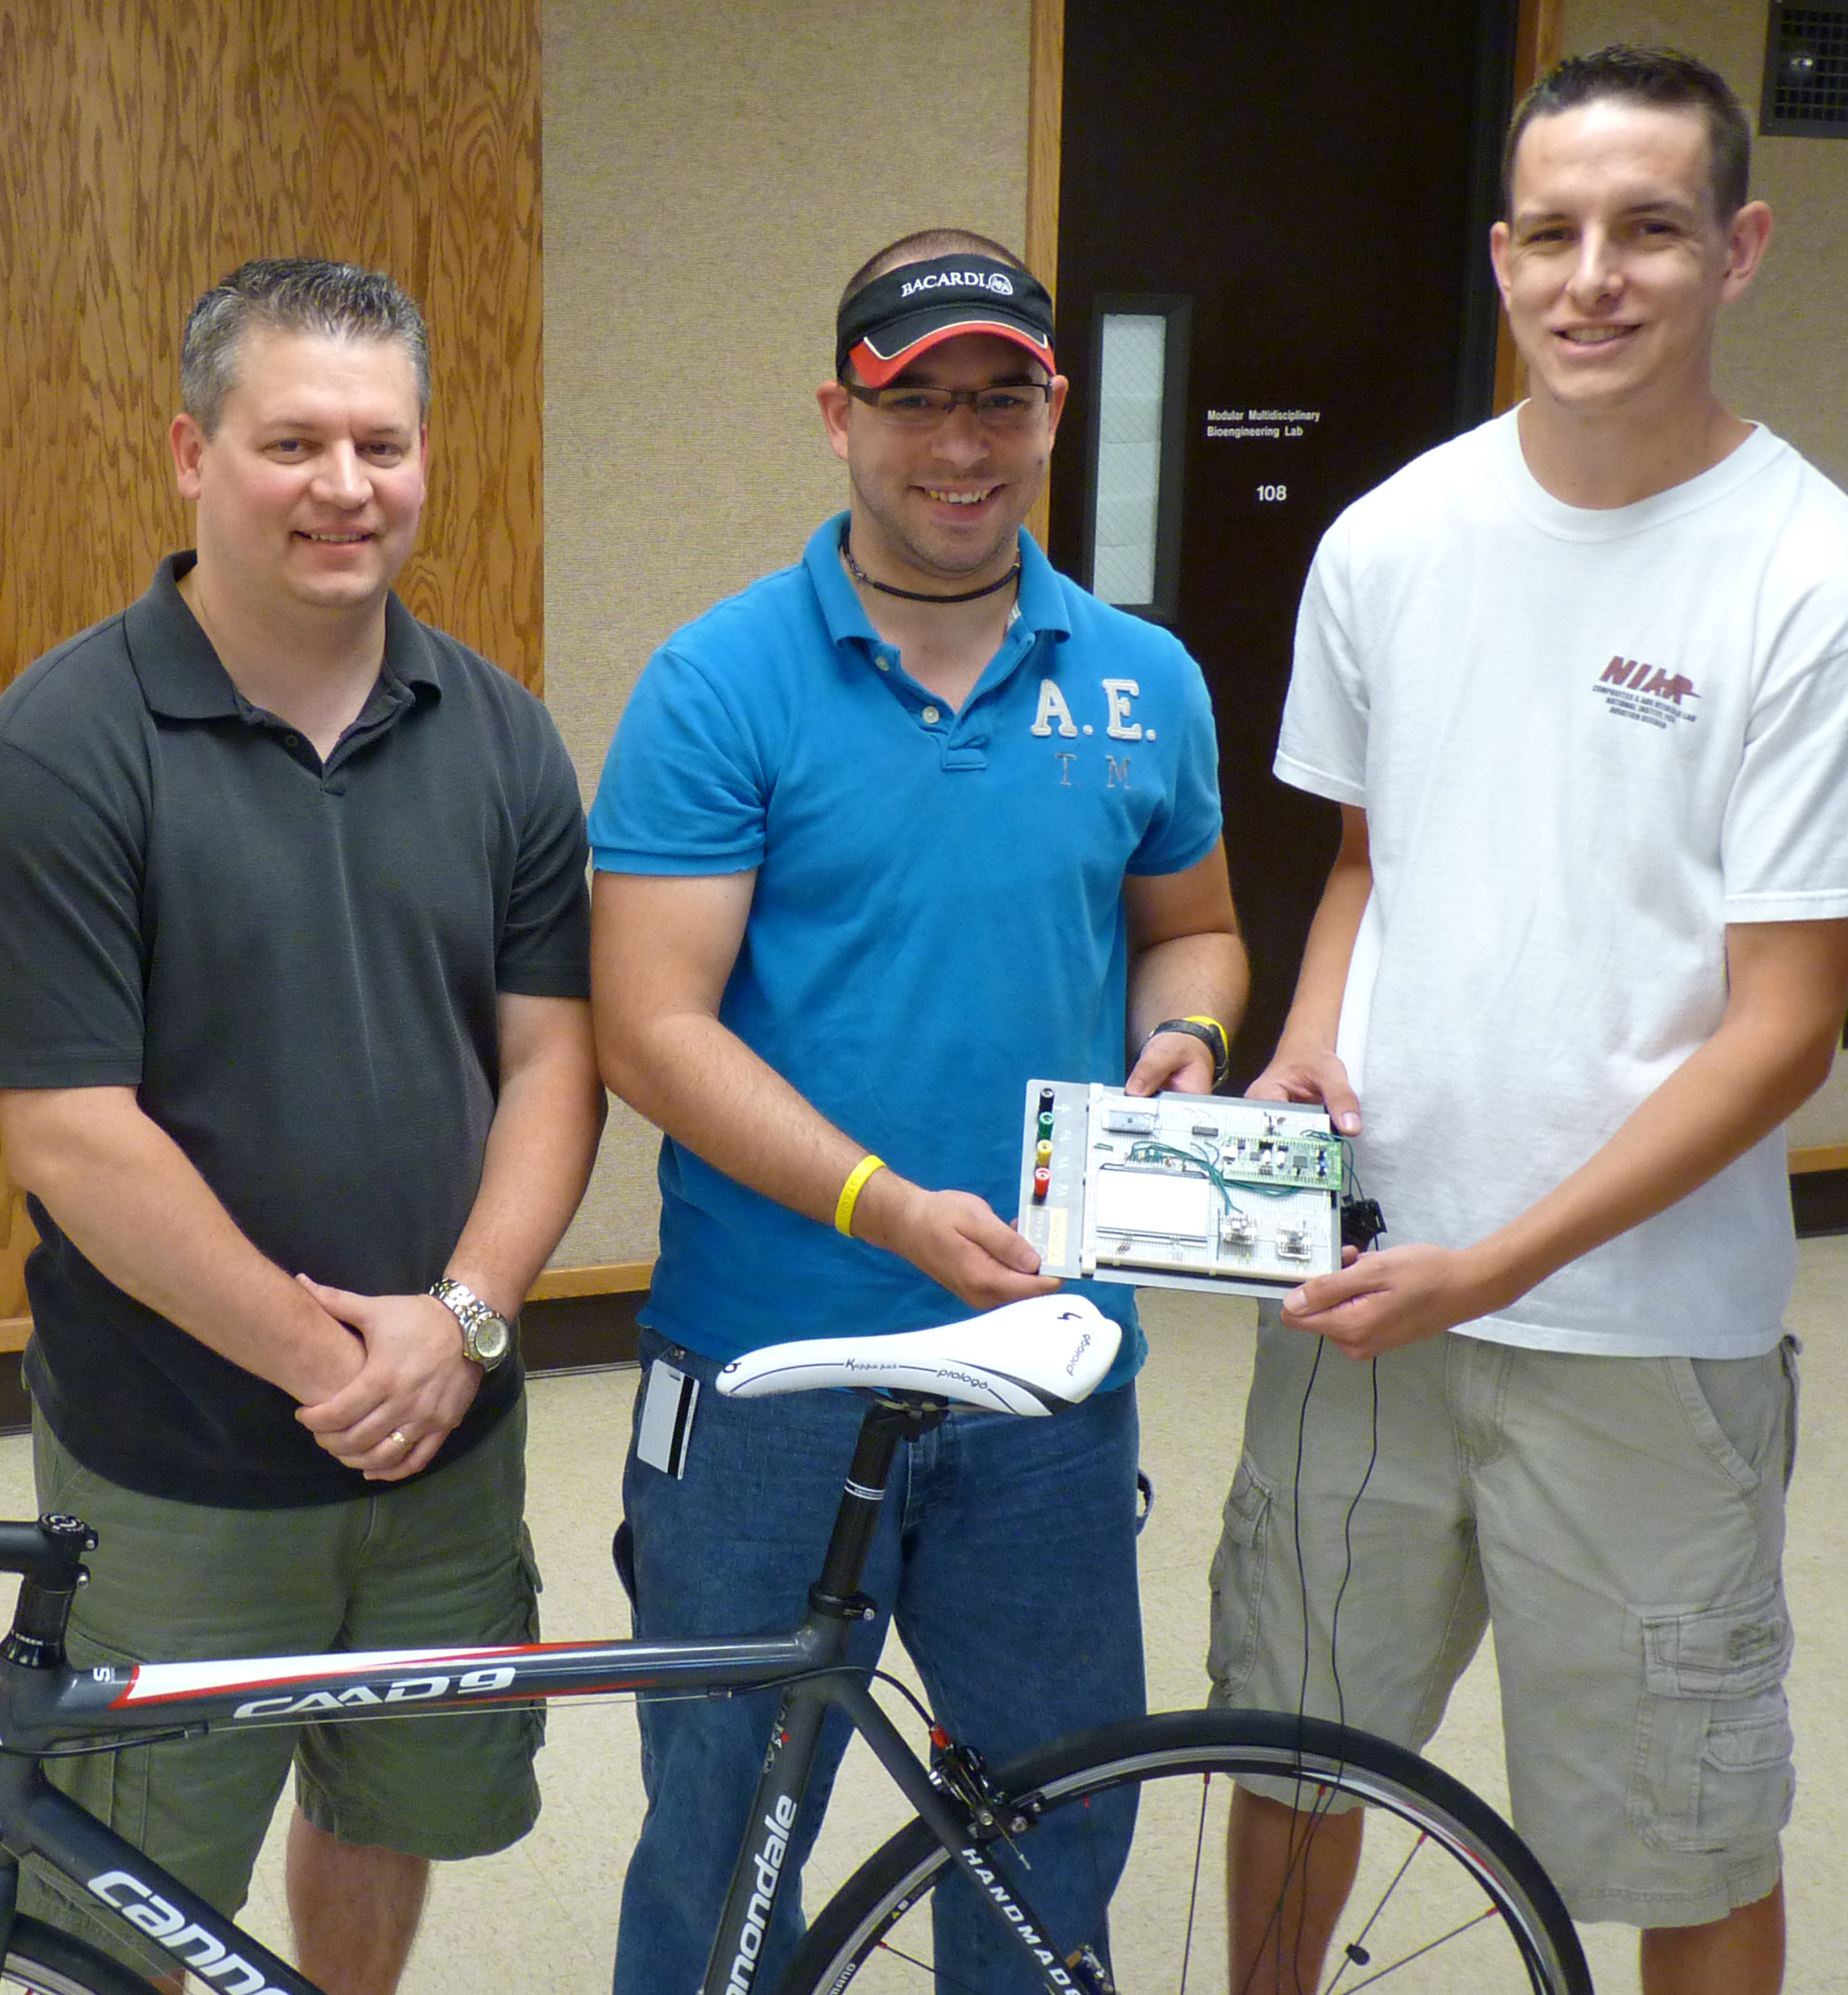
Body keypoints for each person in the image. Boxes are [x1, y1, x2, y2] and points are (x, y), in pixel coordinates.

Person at [1208, 47, 1848, 1995]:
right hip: (1371, 1291)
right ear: (1502, 254)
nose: (1593, 276)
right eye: (1554, 232)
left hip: (1639, 1334)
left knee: (1681, 1825)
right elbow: (1372, 863)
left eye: (1649, 229)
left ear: (1741, 247)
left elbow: (1783, 1029)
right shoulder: (1391, 539)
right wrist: (1308, 1041)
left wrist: (1503, 1260)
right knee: (1289, 1743)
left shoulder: (1820, 582)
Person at [588, 228, 1247, 1995]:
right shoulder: (720, 680)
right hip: (767, 1371)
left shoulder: (1143, 678)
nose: (962, 446)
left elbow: (1193, 929)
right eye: (918, 403)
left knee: (1050, 1818)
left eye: (1001, 402)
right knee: (727, 1827)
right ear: (838, 415)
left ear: (1051, 412)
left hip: (1046, 1366)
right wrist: (883, 1208)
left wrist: (1185, 1036)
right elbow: (647, 1029)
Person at [0, 256, 601, 1995]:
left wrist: (457, 1329)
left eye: (381, 444)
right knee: (135, 1881)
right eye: (293, 441)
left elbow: (554, 1064)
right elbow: (74, 1137)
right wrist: (339, 1362)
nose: (345, 487)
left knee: (389, 1800)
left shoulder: (504, 737)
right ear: (189, 451)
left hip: (447, 1434)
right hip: (181, 1464)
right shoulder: (62, 748)